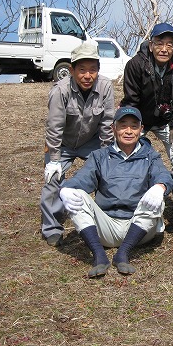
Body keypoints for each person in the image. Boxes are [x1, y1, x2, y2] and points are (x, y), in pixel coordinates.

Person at [58, 106, 173, 278]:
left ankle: (124, 253)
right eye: (123, 125)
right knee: (75, 195)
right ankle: (99, 255)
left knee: (157, 195)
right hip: (105, 228)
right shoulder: (99, 156)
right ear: (113, 129)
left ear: (141, 130)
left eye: (134, 126)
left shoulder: (151, 156)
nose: (128, 131)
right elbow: (82, 178)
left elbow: (164, 176)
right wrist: (65, 190)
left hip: (139, 228)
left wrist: (160, 187)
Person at [40, 42, 114, 247]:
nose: (87, 75)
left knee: (107, 172)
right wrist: (54, 159)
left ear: (98, 70)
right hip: (62, 143)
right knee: (52, 180)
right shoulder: (60, 91)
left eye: (92, 70)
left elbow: (108, 122)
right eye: (82, 70)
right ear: (72, 70)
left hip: (91, 142)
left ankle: (107, 218)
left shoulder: (106, 86)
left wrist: (106, 153)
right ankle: (52, 227)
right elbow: (54, 126)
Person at [121, 22, 173, 168]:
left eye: (169, 45)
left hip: (165, 120)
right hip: (140, 118)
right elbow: (131, 99)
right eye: (159, 44)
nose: (164, 49)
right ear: (151, 46)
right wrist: (133, 125)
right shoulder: (136, 64)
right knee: (125, 152)